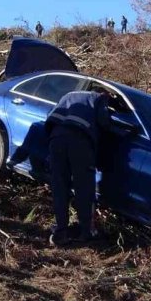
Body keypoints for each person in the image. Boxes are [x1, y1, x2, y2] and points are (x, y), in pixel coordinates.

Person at [45, 86, 116, 246]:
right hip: (80, 142)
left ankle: (61, 231)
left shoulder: (69, 93)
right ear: (103, 92)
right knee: (84, 187)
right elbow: (104, 122)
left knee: (59, 186)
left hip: (56, 139)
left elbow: (50, 116)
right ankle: (86, 232)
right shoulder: (99, 98)